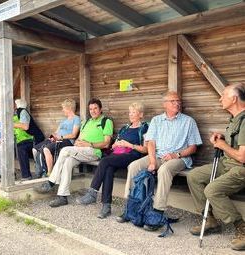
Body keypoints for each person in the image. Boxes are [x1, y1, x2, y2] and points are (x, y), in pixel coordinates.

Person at [119, 91, 202, 225]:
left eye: (178, 101)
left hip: (179, 158)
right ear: (165, 104)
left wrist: (176, 155)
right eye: (173, 101)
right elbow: (151, 142)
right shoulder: (156, 120)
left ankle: (157, 212)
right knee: (134, 166)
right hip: (157, 156)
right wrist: (152, 161)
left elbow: (193, 147)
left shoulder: (188, 121)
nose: (177, 103)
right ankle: (131, 207)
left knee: (164, 170)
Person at [187, 82, 245, 251]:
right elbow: (236, 145)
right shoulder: (236, 119)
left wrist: (222, 145)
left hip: (240, 168)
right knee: (194, 176)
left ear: (234, 99)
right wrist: (223, 139)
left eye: (223, 96)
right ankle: (210, 220)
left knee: (212, 190)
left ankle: (241, 228)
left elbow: (242, 156)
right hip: (227, 163)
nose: (220, 99)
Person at [34, 98, 114, 207]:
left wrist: (89, 144)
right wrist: (77, 143)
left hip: (93, 151)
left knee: (65, 150)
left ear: (100, 109)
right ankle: (62, 196)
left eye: (95, 108)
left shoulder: (106, 121)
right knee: (67, 162)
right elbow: (79, 138)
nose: (93, 111)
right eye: (91, 109)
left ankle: (51, 182)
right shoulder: (86, 122)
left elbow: (106, 143)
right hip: (80, 151)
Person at [77, 102, 148, 218]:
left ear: (141, 114)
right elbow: (113, 145)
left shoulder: (144, 127)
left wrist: (129, 145)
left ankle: (92, 192)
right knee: (108, 168)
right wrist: (116, 145)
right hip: (118, 155)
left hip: (133, 155)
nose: (131, 114)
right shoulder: (125, 128)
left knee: (105, 161)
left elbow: (145, 149)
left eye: (133, 112)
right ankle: (106, 206)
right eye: (130, 112)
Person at [33, 98, 81, 177]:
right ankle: (41, 170)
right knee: (35, 149)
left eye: (63, 108)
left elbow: (74, 135)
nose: (62, 110)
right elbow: (56, 132)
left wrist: (61, 137)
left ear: (69, 108)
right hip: (57, 139)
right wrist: (51, 137)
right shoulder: (63, 120)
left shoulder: (76, 119)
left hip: (67, 141)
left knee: (46, 149)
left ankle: (49, 173)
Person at [14, 99, 37, 181]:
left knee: (21, 147)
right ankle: (10, 174)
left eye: (15, 104)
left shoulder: (23, 112)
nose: (14, 106)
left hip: (31, 139)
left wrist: (12, 124)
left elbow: (25, 127)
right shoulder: (16, 113)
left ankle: (26, 175)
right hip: (19, 138)